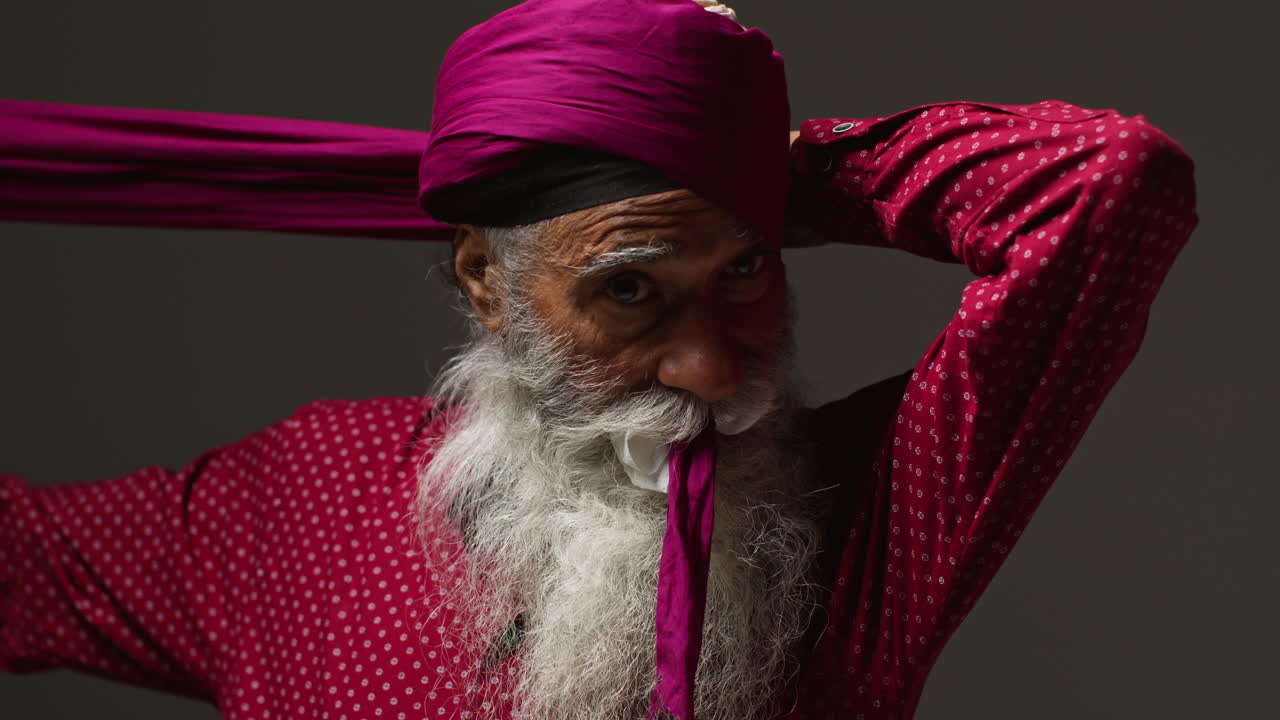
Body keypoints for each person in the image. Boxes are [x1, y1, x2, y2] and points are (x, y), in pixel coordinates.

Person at [0, 1, 1198, 718]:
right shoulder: (289, 501)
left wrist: (776, 170)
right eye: (627, 289)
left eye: (744, 273)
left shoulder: (859, 519)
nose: (712, 371)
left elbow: (1107, 188)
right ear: (484, 278)